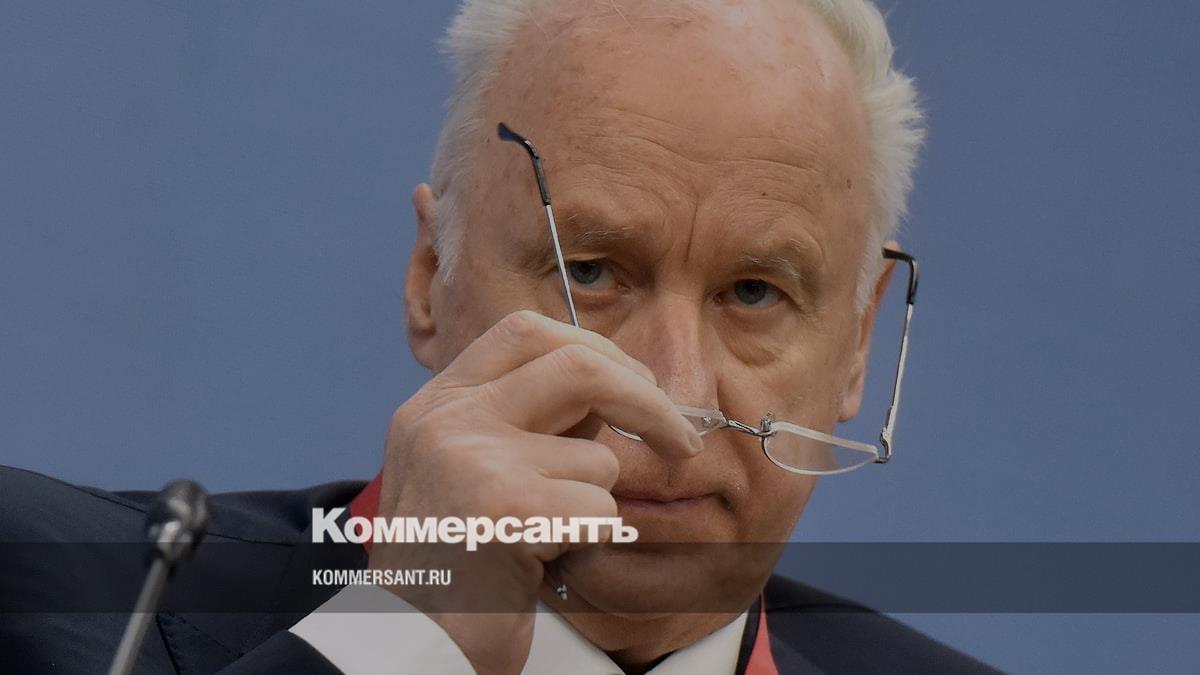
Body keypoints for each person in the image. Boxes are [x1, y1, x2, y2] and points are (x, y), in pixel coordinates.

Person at [0, 0, 997, 672]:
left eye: (753, 292)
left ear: (858, 344)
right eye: (591, 273)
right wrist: (396, 648)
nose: (674, 401)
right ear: (430, 274)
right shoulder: (42, 595)